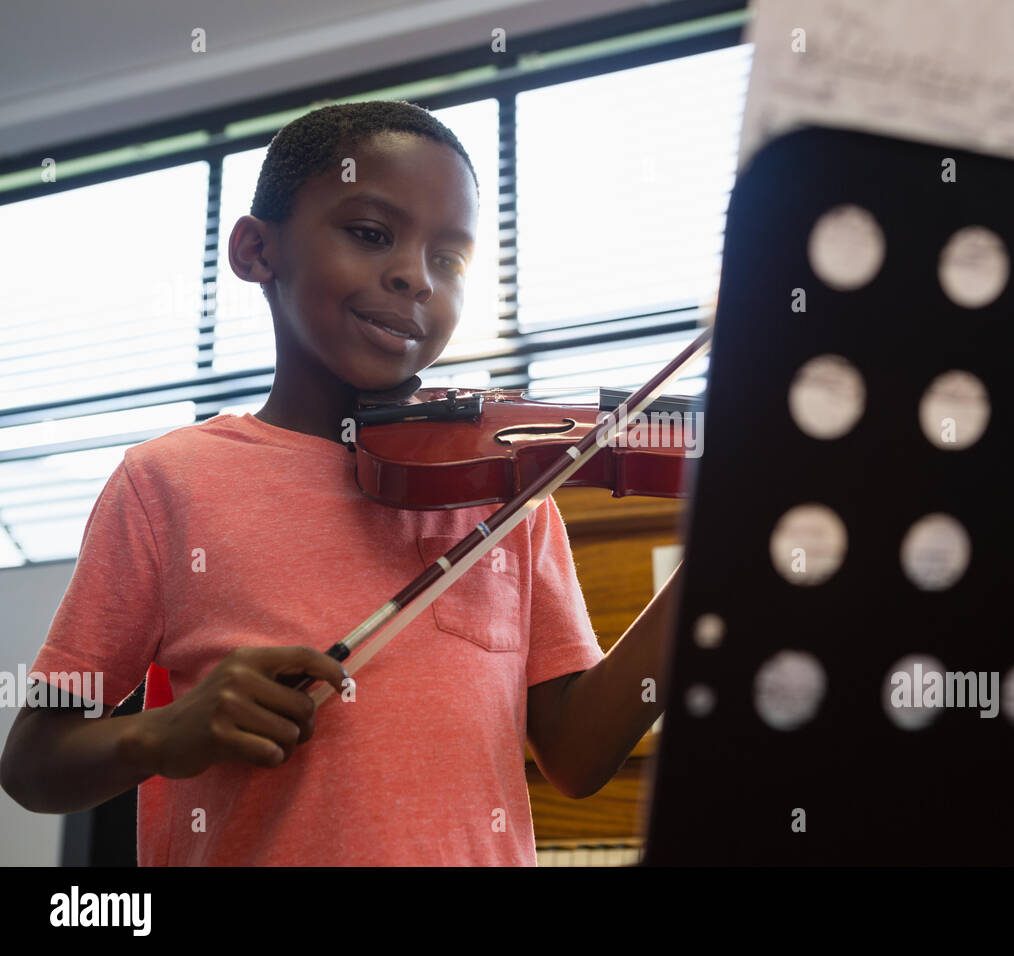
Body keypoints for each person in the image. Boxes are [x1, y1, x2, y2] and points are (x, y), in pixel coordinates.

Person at [0, 100, 681, 865]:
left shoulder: (510, 494)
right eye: (370, 234)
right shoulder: (166, 483)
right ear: (258, 250)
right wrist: (163, 730)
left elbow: (578, 758)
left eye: (449, 259)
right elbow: (31, 762)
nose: (413, 278)